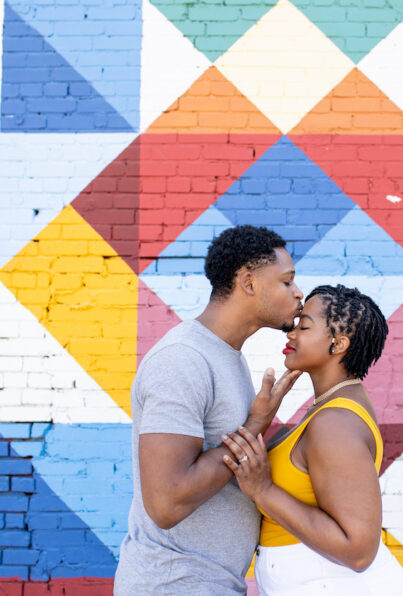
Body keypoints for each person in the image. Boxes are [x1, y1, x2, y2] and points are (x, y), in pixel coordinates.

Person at [114, 225, 304, 595]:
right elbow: (166, 502)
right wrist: (255, 425)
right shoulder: (183, 360)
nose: (298, 293)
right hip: (173, 585)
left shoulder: (225, 356)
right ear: (248, 283)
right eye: (286, 282)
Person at [222, 285, 403, 596]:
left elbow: (358, 550)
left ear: (338, 344)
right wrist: (263, 420)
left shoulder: (334, 423)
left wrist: (263, 490)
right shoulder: (332, 409)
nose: (291, 334)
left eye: (305, 326)